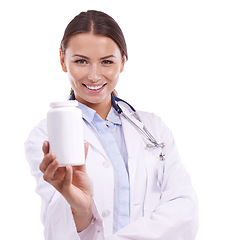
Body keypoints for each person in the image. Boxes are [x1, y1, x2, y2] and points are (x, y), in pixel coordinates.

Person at [25, 10, 198, 240]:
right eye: (81, 61)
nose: (94, 76)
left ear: (123, 62)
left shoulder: (153, 128)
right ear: (62, 59)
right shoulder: (45, 136)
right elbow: (58, 229)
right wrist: (81, 208)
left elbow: (184, 211)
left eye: (106, 62)